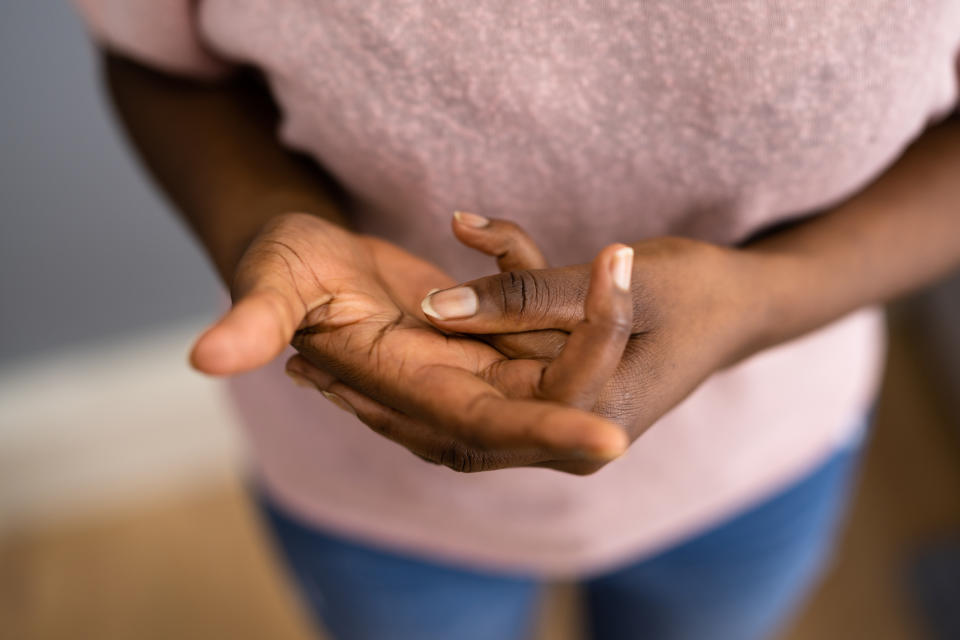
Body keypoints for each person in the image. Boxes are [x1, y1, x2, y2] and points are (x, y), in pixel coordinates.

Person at [74, 2, 960, 639]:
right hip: (366, 475)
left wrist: (771, 296)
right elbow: (157, 59)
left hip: (762, 450)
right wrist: (266, 218)